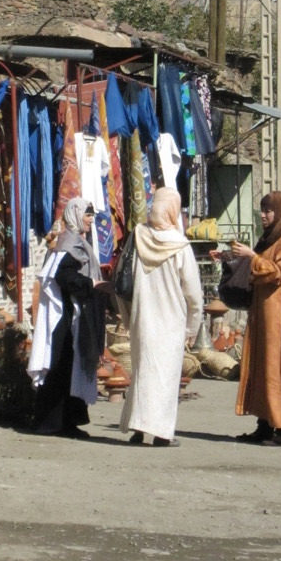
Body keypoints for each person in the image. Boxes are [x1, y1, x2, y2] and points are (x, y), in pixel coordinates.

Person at [118, 187, 203, 447]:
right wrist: (192, 327)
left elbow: (123, 283)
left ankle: (138, 429)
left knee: (143, 372)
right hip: (170, 324)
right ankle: (162, 434)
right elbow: (194, 294)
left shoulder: (138, 236)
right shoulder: (180, 246)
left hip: (142, 320)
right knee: (165, 378)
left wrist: (126, 316)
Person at [221, 191, 281, 448]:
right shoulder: (271, 237)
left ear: (280, 213)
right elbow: (256, 263)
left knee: (280, 366)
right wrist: (228, 257)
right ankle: (265, 424)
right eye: (262, 210)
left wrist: (252, 256)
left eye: (268, 211)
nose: (264, 215)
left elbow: (279, 272)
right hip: (264, 314)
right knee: (262, 367)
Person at [27, 197, 108, 439]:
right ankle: (51, 423)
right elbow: (63, 277)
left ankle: (69, 421)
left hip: (74, 315)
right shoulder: (68, 244)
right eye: (87, 215)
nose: (91, 219)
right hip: (65, 318)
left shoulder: (76, 241)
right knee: (62, 366)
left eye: (92, 215)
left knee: (71, 366)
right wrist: (91, 283)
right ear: (75, 215)